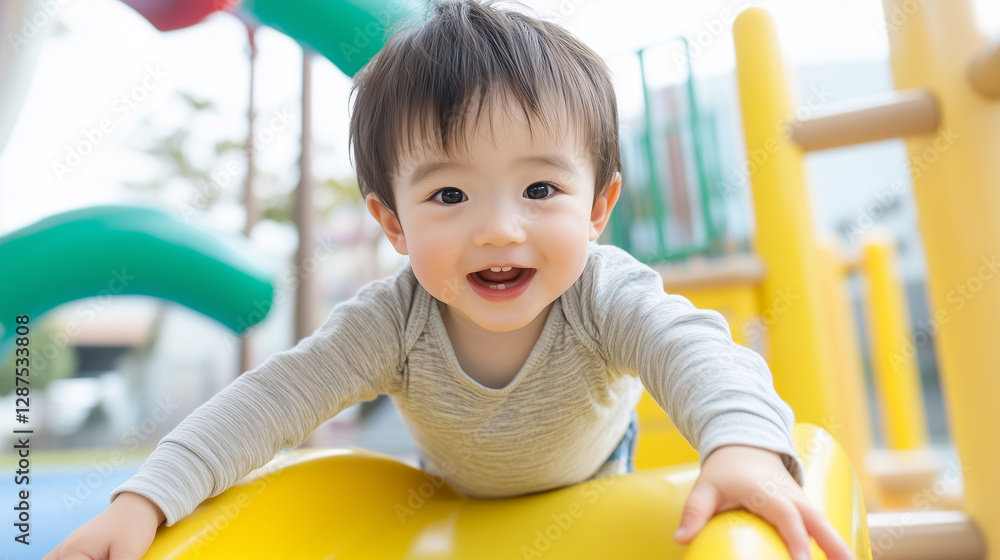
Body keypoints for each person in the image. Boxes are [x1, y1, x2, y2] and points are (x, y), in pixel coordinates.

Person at [45, 2, 854, 559]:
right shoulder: (389, 323)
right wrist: (146, 498)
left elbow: (698, 353)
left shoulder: (603, 293)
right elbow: (267, 402)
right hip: (450, 506)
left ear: (598, 207)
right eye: (449, 196)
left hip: (599, 486)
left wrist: (742, 447)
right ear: (393, 222)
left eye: (540, 189)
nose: (499, 228)